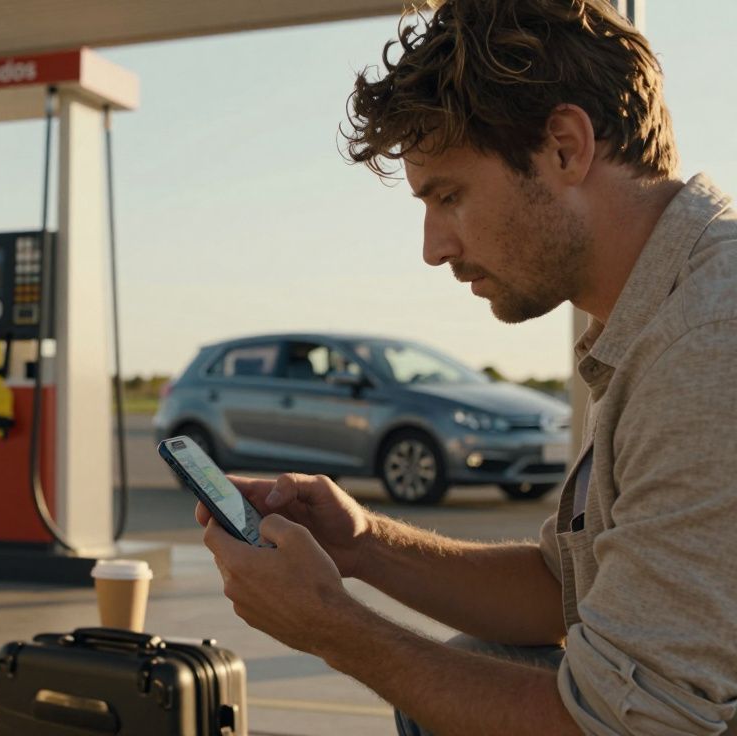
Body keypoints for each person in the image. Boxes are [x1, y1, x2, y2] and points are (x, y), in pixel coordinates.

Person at [195, 0, 737, 733]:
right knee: (483, 659)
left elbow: (631, 726)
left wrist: (330, 625)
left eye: (450, 195)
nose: (433, 247)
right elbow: (564, 588)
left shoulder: (708, 342)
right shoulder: (662, 313)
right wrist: (364, 545)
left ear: (566, 148)